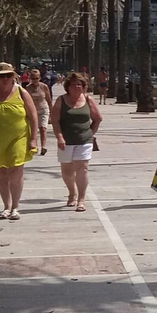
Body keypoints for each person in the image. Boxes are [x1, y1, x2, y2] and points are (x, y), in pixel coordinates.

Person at [0, 62, 38, 219]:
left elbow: (33, 117)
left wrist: (34, 139)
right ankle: (6, 207)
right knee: (2, 171)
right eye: (2, 76)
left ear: (13, 77)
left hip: (18, 138)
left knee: (16, 170)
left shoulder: (22, 92)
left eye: (8, 76)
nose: (5, 79)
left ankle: (15, 207)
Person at [52, 72, 103, 211]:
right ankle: (71, 192)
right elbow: (55, 121)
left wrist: (90, 133)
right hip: (66, 141)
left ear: (84, 86)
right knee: (67, 172)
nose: (76, 87)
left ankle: (81, 199)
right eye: (73, 85)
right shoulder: (61, 100)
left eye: (79, 85)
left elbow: (98, 118)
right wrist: (60, 137)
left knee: (82, 169)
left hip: (84, 141)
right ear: (68, 87)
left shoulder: (87, 99)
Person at [25, 68, 53, 155]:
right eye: (33, 78)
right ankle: (35, 146)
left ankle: (43, 146)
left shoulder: (44, 87)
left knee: (43, 128)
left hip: (43, 109)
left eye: (37, 78)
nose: (35, 80)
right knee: (33, 129)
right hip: (32, 111)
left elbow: (49, 100)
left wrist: (52, 112)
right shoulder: (27, 88)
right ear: (30, 79)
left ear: (40, 78)